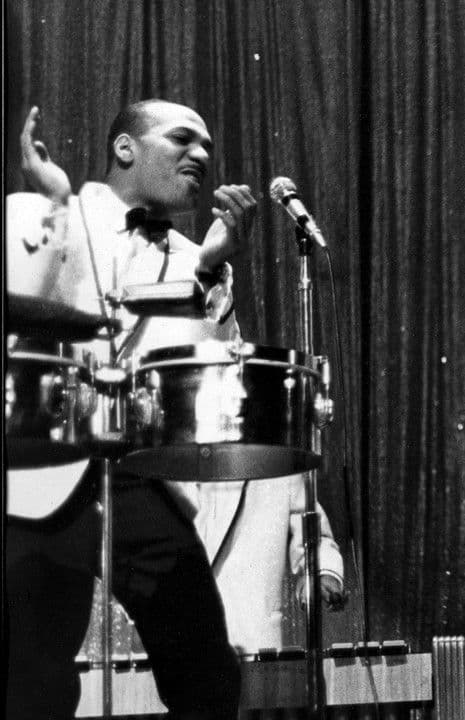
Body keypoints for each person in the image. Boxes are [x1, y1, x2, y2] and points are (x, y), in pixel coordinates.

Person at [5, 100, 256, 719]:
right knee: (31, 679)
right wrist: (55, 204)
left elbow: (212, 377)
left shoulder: (197, 256)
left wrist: (211, 269)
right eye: (183, 139)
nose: (202, 155)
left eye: (208, 145)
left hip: (136, 473)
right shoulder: (54, 210)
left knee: (206, 677)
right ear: (126, 149)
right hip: (39, 465)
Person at [183, 474, 346, 653]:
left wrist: (322, 571)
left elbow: (314, 534)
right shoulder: (164, 471)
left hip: (252, 641)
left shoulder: (278, 468)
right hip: (176, 641)